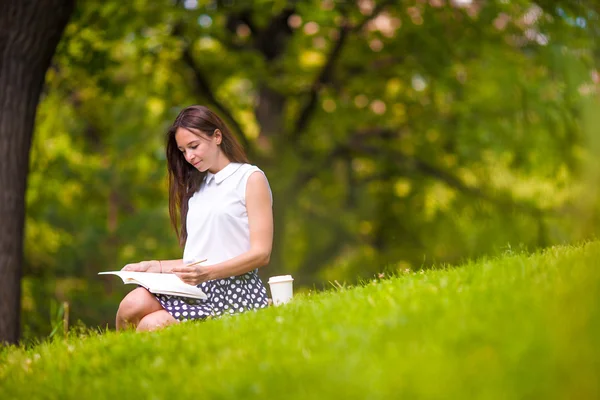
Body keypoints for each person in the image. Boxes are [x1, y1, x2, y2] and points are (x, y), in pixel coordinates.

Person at [115, 105, 273, 332]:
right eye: (183, 150)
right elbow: (199, 260)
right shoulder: (197, 186)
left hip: (236, 290)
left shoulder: (250, 178)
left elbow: (262, 254)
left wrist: (208, 274)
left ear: (217, 136)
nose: (189, 156)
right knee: (132, 303)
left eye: (194, 146)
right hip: (196, 288)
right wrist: (156, 266)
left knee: (152, 325)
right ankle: (119, 359)